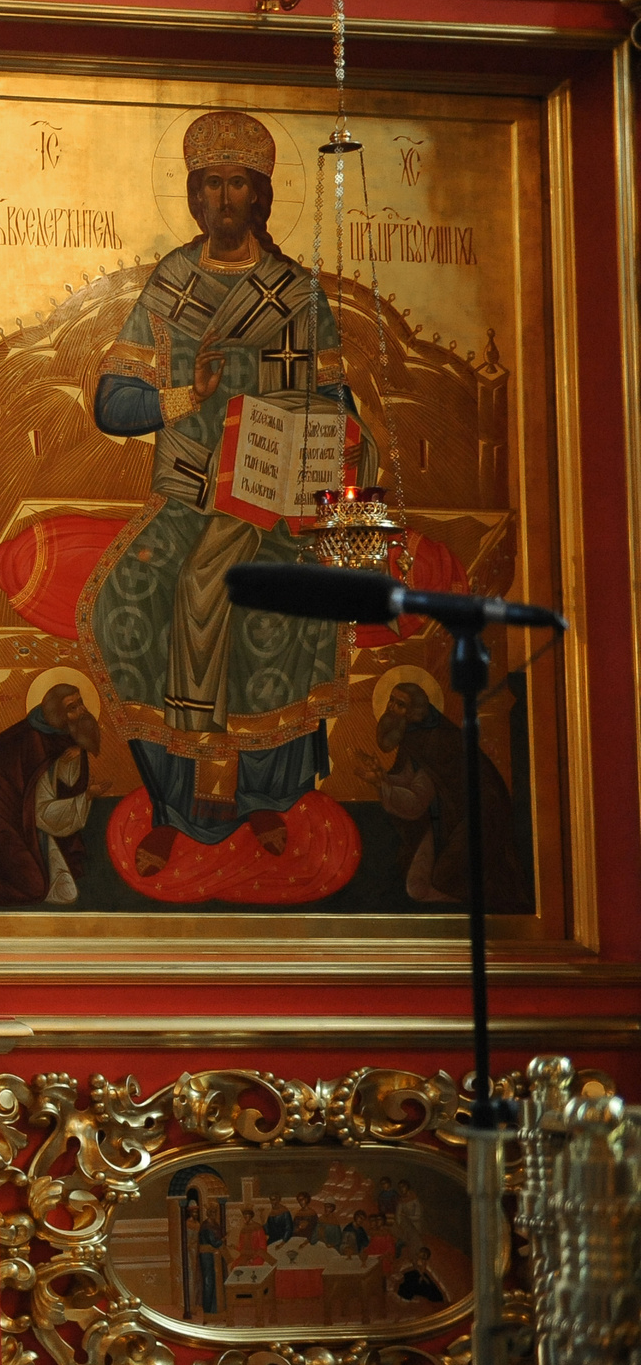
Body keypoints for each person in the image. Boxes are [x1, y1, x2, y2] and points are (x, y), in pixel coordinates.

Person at [89, 110, 355, 878]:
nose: (226, 197)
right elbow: (110, 404)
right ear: (195, 195)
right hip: (183, 497)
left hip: (271, 500)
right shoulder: (171, 285)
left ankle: (260, 794)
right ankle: (176, 802)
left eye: (241, 182)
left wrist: (336, 450)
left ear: (261, 195)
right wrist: (181, 398)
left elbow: (339, 407)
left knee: (249, 605)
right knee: (122, 604)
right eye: (212, 183)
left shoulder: (295, 294)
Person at [362, 678, 533, 912]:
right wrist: (382, 777)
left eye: (400, 704)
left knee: (446, 880)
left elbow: (415, 801)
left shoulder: (435, 741)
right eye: (391, 700)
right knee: (417, 886)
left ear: (414, 711)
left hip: (477, 816)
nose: (391, 708)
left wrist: (381, 784)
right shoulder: (414, 733)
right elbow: (410, 780)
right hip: (444, 815)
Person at [0, 681, 106, 907]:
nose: (82, 711)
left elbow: (60, 787)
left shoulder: (61, 736)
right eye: (72, 707)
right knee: (33, 886)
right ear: (57, 714)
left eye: (80, 703)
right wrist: (88, 796)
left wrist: (75, 756)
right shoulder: (35, 742)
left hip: (20, 817)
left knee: (61, 890)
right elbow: (44, 813)